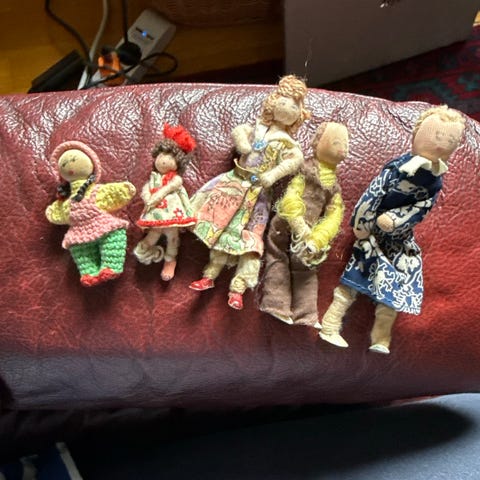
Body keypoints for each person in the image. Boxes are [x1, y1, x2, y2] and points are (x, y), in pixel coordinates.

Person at [319, 106, 465, 354]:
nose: (441, 144)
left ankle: (381, 338)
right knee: (353, 279)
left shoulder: (436, 180)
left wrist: (397, 220)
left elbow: (423, 207)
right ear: (417, 133)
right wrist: (362, 225)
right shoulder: (397, 168)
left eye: (450, 140)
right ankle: (330, 326)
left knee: (396, 285)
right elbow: (372, 194)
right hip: (372, 234)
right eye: (438, 136)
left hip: (399, 239)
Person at [189, 75, 310, 310]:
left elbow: (295, 160)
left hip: (258, 196)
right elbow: (239, 130)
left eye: (295, 105)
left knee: (251, 239)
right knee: (221, 229)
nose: (288, 107)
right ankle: (210, 274)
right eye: (284, 101)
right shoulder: (258, 128)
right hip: (234, 185)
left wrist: (273, 175)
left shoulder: (287, 142)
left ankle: (238, 287)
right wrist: (243, 143)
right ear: (273, 102)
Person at [260, 122, 349, 326]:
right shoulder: (306, 171)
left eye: (345, 145)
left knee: (307, 269)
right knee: (278, 258)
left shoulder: (334, 187)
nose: (342, 149)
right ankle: (275, 304)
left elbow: (334, 216)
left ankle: (306, 314)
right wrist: (298, 223)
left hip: (308, 236)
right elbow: (291, 196)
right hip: (285, 225)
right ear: (318, 143)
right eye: (336, 143)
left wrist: (317, 238)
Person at [45, 141, 136, 286]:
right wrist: (53, 211)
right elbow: (57, 212)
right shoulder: (67, 202)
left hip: (102, 224)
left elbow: (115, 193)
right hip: (78, 232)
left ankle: (111, 265)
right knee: (79, 249)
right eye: (65, 164)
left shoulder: (96, 192)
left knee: (114, 235)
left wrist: (124, 190)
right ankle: (88, 272)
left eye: (74, 161)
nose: (70, 166)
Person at [133, 124, 197, 281]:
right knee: (152, 235)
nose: (163, 160)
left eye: (170, 157)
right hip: (156, 215)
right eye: (161, 155)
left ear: (178, 162)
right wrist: (147, 197)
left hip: (172, 215)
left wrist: (156, 197)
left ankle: (170, 260)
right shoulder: (154, 178)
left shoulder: (175, 180)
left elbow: (172, 191)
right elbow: (146, 190)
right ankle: (144, 251)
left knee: (172, 238)